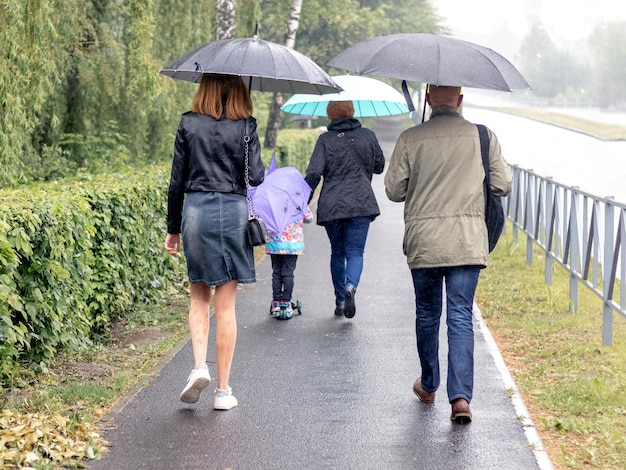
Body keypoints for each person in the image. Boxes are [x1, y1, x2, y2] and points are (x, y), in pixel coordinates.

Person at [384, 85, 512, 424]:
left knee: (427, 313)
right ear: (459, 100)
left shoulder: (411, 138)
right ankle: (460, 399)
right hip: (468, 242)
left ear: (428, 99)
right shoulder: (484, 137)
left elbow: (394, 190)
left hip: (425, 242)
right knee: (459, 315)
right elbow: (503, 184)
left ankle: (428, 384)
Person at [164, 74, 264, 411]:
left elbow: (176, 180)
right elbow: (257, 177)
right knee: (226, 307)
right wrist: (248, 140)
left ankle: (198, 367)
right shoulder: (246, 125)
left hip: (196, 211)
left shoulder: (188, 124)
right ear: (238, 90)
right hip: (234, 212)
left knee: (198, 298)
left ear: (204, 87)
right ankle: (223, 392)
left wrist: (173, 228)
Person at [305, 100, 385, 318]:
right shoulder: (367, 135)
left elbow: (313, 174)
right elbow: (379, 167)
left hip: (332, 205)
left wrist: (302, 202)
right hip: (361, 202)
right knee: (356, 252)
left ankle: (341, 300)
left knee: (338, 253)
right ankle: (351, 286)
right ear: (352, 112)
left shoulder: (325, 140)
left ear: (330, 115)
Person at [265, 184, 314, 320]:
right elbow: (309, 218)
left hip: (275, 243)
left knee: (276, 272)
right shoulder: (299, 202)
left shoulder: (272, 203)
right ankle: (286, 302)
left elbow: (264, 218)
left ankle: (276, 301)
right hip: (292, 245)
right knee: (288, 272)